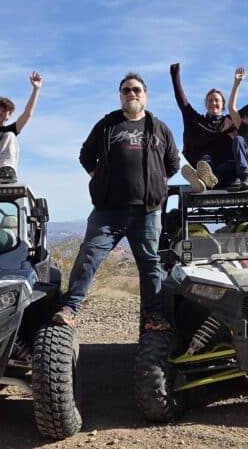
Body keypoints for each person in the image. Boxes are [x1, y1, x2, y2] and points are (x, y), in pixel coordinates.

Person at [53, 73, 180, 331]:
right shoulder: (107, 125)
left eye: (136, 90)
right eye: (126, 90)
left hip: (147, 212)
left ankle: (152, 315)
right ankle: (70, 308)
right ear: (120, 95)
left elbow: (173, 163)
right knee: (89, 255)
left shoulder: (159, 127)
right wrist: (100, 180)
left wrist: (156, 182)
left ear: (145, 94)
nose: (131, 94)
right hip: (108, 211)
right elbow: (86, 156)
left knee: (149, 264)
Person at [170, 62, 248, 192]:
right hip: (207, 164)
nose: (213, 103)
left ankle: (202, 181)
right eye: (210, 100)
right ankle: (203, 178)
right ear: (206, 104)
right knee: (206, 160)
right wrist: (175, 74)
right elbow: (183, 103)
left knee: (231, 165)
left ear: (223, 105)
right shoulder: (198, 121)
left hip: (227, 170)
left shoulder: (232, 120)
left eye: (217, 100)